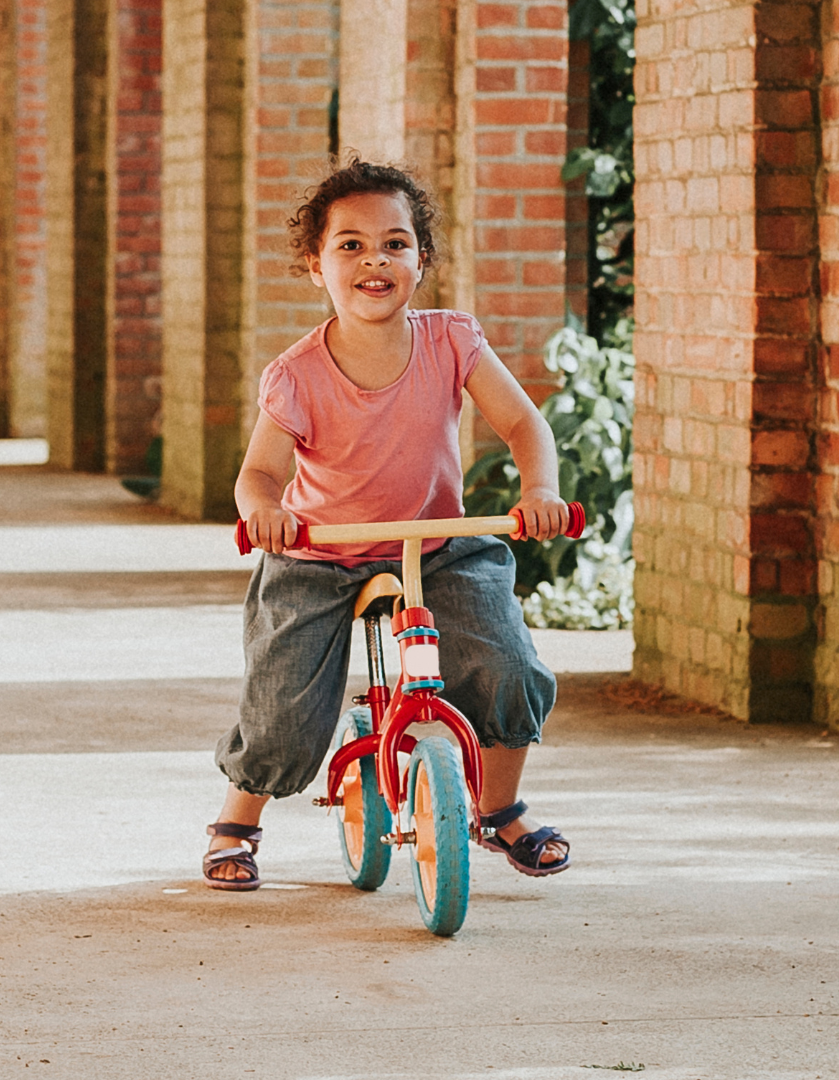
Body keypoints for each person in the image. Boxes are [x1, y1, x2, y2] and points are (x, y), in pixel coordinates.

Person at [203, 159, 571, 891]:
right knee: (283, 703)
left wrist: (540, 488)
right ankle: (237, 821)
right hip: (319, 551)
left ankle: (499, 811)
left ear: (421, 261)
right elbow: (259, 475)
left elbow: (524, 423)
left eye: (396, 244)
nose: (375, 259)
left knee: (507, 665)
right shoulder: (298, 374)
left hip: (434, 542)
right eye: (350, 246)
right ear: (316, 267)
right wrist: (265, 514)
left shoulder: (451, 342)